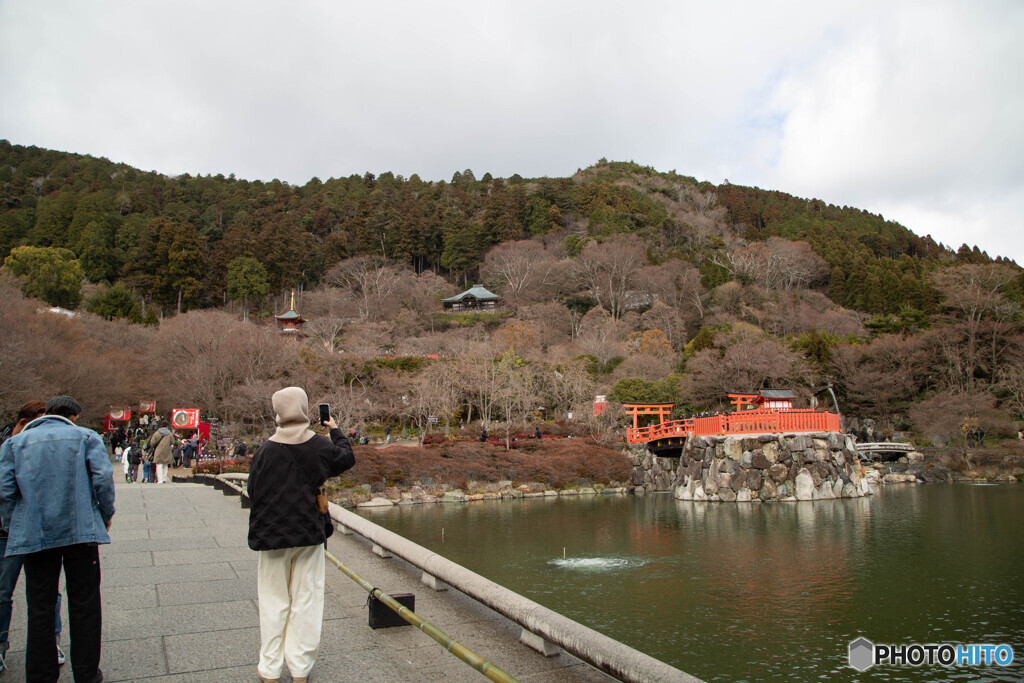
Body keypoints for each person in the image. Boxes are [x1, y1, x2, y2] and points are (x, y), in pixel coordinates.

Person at [0, 395, 114, 683]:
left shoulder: (14, 444)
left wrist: (15, 523)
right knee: (85, 602)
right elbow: (102, 479)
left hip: (35, 533)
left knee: (39, 604)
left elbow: (5, 491)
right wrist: (105, 514)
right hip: (81, 533)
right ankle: (87, 672)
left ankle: (41, 674)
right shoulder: (86, 437)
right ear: (73, 416)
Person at [247, 387, 354, 683]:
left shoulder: (265, 450)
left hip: (271, 536)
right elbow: (346, 458)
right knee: (307, 598)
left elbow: (252, 491)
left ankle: (269, 668)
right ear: (305, 409)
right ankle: (300, 668)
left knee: (272, 600)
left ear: (277, 412)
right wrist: (335, 430)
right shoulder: (318, 446)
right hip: (308, 532)